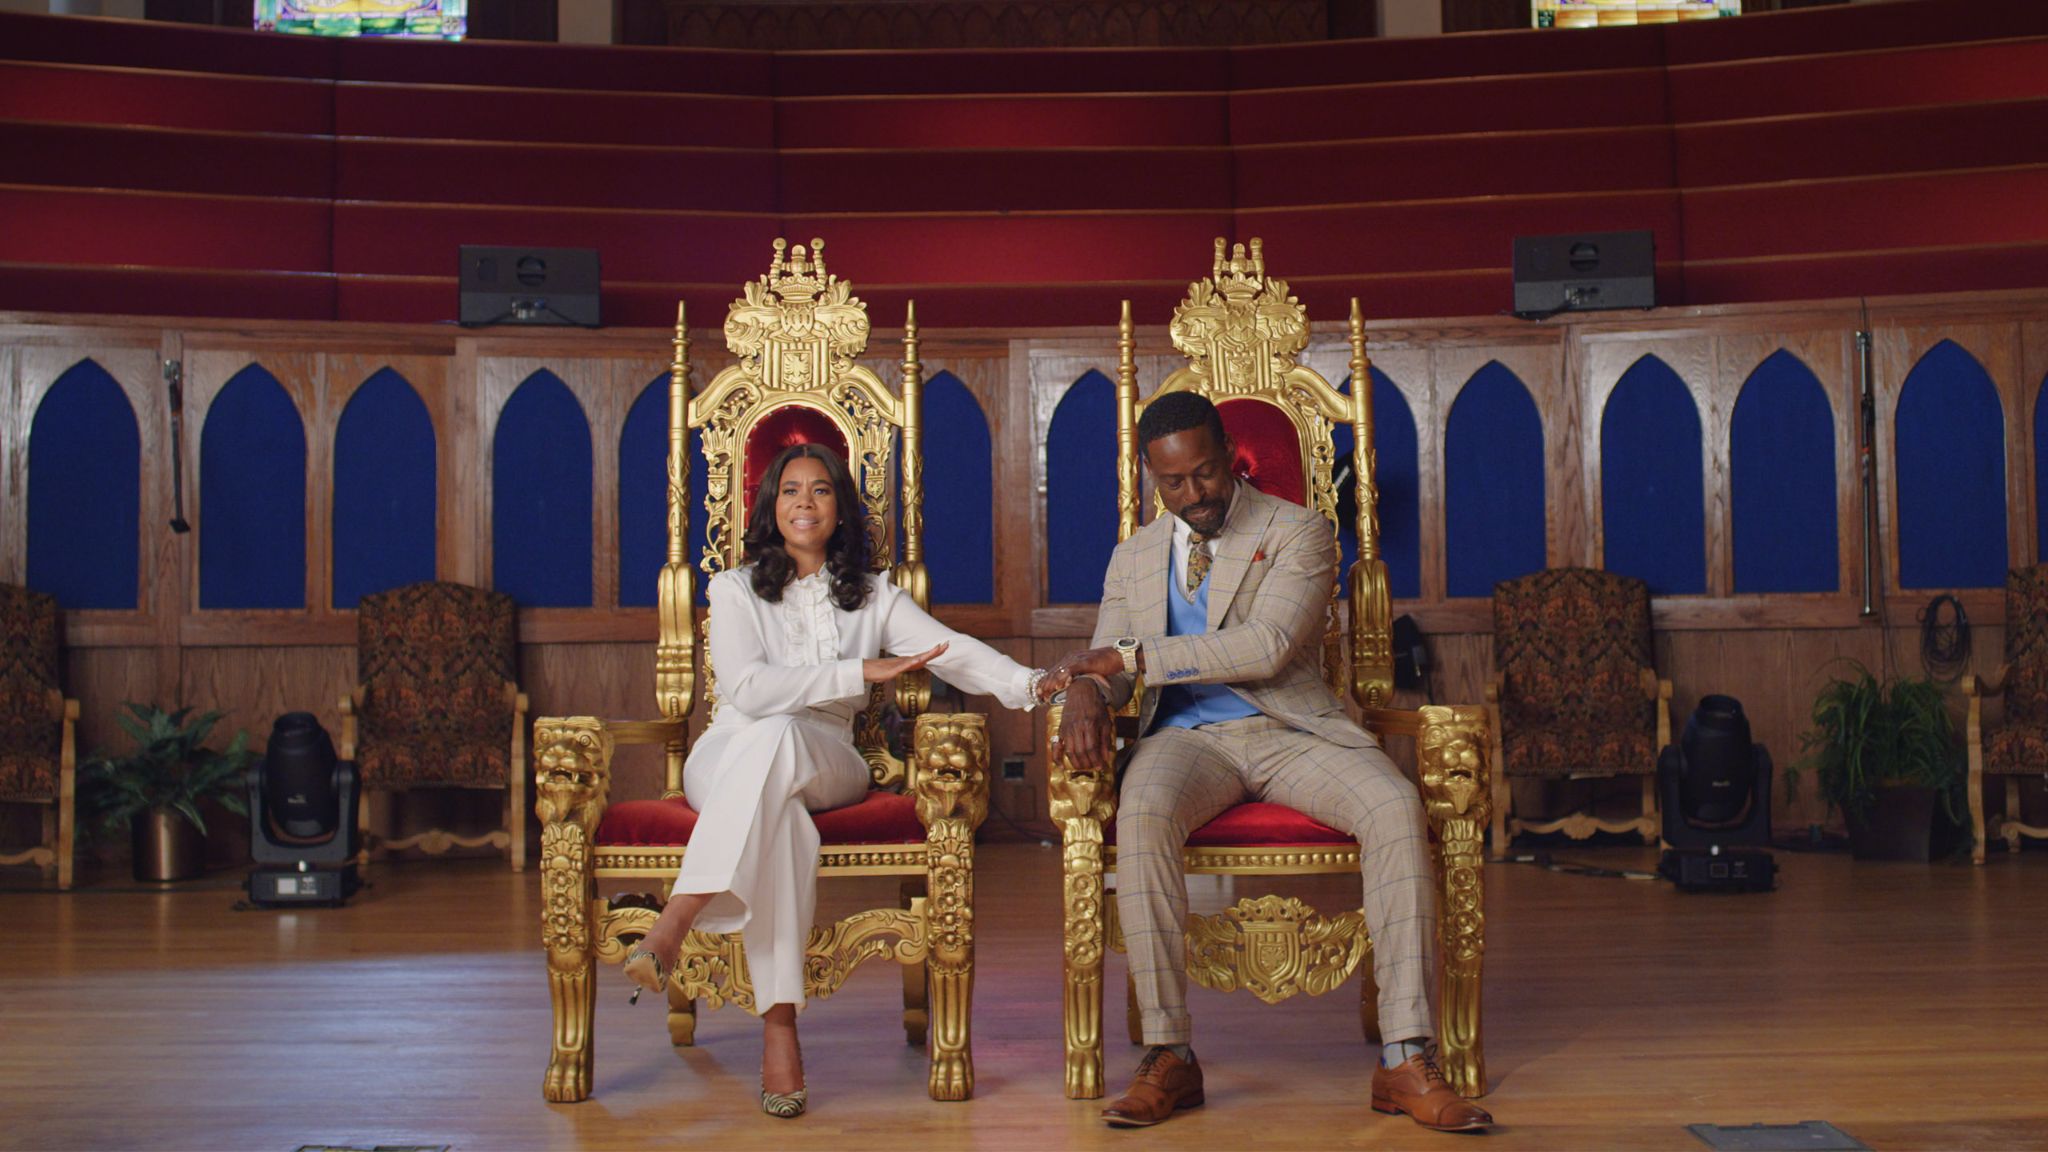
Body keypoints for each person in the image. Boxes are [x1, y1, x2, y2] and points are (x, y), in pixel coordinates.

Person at [1049, 391, 1491, 1133]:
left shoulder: (1302, 531)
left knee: (1394, 806)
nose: (1193, 497)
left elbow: (1265, 647)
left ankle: (1406, 1057)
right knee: (1144, 811)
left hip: (1292, 730)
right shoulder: (1133, 557)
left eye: (1205, 475)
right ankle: (1168, 1054)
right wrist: (1089, 692)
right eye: (1173, 484)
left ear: (1230, 457)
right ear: (1152, 479)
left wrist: (1125, 657)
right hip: (1184, 742)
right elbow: (1110, 663)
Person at [623, 442, 1060, 1119]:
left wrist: (1030, 683)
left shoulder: (874, 595)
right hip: (729, 751)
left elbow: (949, 649)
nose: (805, 501)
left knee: (783, 743)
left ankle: (678, 916)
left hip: (827, 754)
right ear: (771, 507)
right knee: (785, 826)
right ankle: (779, 1028)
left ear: (838, 508)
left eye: (821, 490)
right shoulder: (735, 588)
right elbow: (745, 688)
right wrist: (858, 674)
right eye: (791, 490)